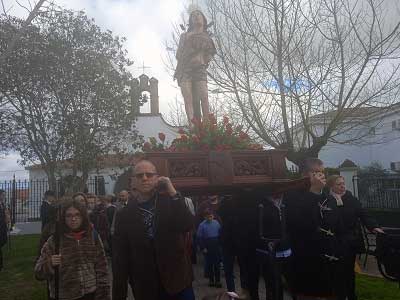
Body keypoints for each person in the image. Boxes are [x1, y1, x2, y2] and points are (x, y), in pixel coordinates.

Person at [112, 159, 195, 300]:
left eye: (149, 175)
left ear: (157, 178)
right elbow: (120, 258)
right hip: (146, 287)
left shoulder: (171, 202)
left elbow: (187, 224)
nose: (144, 178)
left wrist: (172, 191)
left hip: (178, 281)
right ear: (132, 181)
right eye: (139, 175)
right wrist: (119, 295)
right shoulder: (123, 215)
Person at [285, 158, 341, 300]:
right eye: (316, 172)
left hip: (327, 259)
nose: (321, 176)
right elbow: (298, 222)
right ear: (305, 174)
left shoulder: (328, 197)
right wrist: (313, 192)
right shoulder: (291, 194)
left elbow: (332, 224)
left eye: (322, 172)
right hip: (305, 259)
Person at [35, 199, 110, 300]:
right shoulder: (54, 241)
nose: (73, 219)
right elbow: (38, 273)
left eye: (77, 215)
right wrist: (49, 263)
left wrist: (103, 295)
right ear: (63, 218)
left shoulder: (92, 236)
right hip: (65, 295)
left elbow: (102, 268)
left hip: (90, 293)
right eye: (69, 215)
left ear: (83, 216)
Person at [326, 175, 383, 300]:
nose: (342, 186)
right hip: (334, 242)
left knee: (349, 272)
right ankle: (340, 295)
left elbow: (363, 213)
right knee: (337, 272)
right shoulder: (327, 200)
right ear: (331, 186)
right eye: (338, 184)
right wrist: (337, 204)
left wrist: (373, 227)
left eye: (343, 183)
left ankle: (351, 296)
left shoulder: (351, 198)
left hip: (349, 241)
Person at [174, 9, 216, 122]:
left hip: (199, 69)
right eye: (193, 15)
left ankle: (207, 127)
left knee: (204, 96)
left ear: (203, 19)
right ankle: (192, 127)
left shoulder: (207, 38)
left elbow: (210, 55)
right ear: (191, 21)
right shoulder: (185, 36)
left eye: (198, 14)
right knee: (188, 99)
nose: (196, 17)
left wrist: (201, 59)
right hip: (185, 69)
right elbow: (178, 55)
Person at [197, 209, 222, 288]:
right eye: (208, 217)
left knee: (217, 264)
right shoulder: (202, 225)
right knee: (210, 265)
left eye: (211, 216)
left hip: (216, 244)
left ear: (213, 216)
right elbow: (200, 238)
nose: (210, 218)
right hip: (207, 245)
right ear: (205, 217)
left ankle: (218, 280)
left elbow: (220, 234)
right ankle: (211, 280)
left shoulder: (216, 223)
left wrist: (220, 245)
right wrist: (203, 247)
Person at [0, 189, 8, 271]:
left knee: (3, 241)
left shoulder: (3, 204)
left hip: (3, 227)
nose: (4, 196)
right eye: (3, 195)